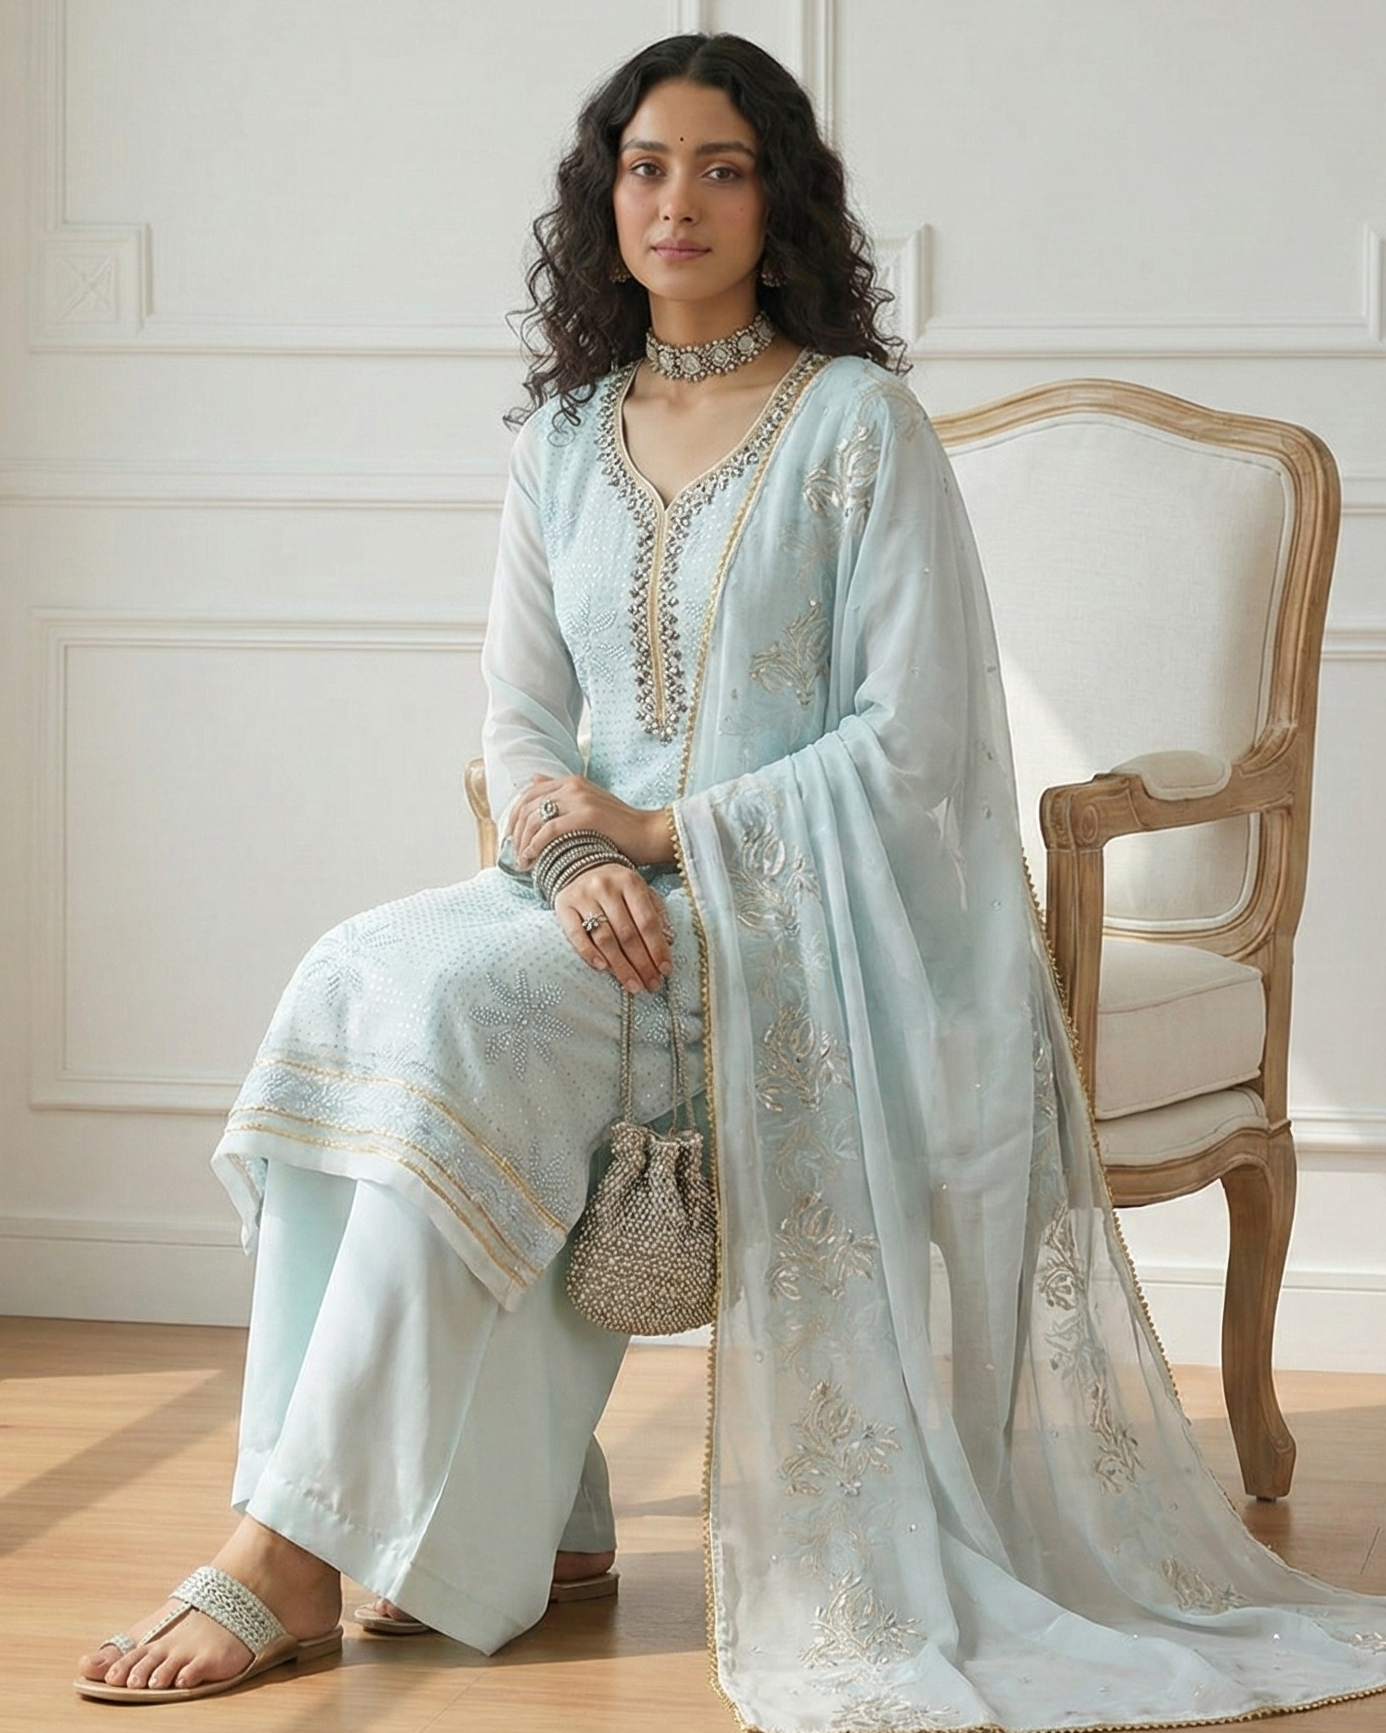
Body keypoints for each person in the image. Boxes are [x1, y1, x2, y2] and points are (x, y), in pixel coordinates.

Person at [75, 29, 1386, 1729]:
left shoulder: (856, 427)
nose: (676, 200)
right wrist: (573, 856)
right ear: (601, 199)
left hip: (811, 912)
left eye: (719, 167)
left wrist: (663, 838)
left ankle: (293, 1551)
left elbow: (915, 746)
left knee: (462, 1019)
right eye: (644, 167)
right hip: (586, 898)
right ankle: (488, 1525)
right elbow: (519, 719)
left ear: (780, 202)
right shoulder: (562, 440)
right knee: (360, 975)